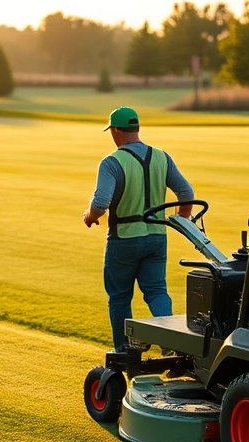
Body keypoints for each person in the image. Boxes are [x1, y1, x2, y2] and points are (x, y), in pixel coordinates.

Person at [83, 106, 196, 352]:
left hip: (123, 240)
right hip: (157, 238)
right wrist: (183, 218)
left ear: (115, 131)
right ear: (136, 129)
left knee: (120, 297)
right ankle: (169, 341)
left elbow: (101, 203)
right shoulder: (162, 157)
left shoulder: (112, 162)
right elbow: (186, 192)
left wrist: (90, 216)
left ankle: (125, 351)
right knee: (157, 291)